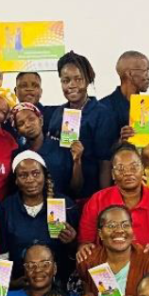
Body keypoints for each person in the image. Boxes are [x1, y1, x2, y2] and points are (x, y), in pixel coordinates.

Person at [77, 143, 149, 255]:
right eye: (120, 168)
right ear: (113, 174)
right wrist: (84, 249)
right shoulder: (97, 200)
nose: (128, 173)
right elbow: (85, 241)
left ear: (143, 169)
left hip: (147, 263)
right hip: (107, 266)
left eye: (134, 167)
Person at [42, 51, 117, 196]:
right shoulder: (58, 113)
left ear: (88, 80)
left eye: (78, 79)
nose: (71, 85)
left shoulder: (102, 115)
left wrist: (102, 198)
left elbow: (105, 162)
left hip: (88, 194)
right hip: (57, 193)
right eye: (65, 80)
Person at [0, 151, 78, 280]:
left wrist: (73, 242)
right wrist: (10, 283)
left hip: (59, 284)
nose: (30, 179)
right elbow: (1, 254)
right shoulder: (5, 209)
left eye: (36, 173)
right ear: (16, 181)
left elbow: (77, 252)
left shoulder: (65, 205)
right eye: (23, 175)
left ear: (45, 176)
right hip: (20, 283)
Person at [10, 101, 82, 200]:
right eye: (21, 123)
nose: (27, 125)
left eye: (31, 119)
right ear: (18, 131)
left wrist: (77, 161)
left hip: (59, 206)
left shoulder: (62, 147)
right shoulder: (18, 156)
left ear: (41, 120)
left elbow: (76, 188)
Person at [100, 49, 149, 142]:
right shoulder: (103, 109)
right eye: (145, 71)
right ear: (129, 74)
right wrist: (121, 141)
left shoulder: (148, 108)